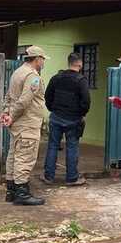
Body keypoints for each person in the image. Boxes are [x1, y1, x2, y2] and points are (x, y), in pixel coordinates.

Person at [0, 46, 49, 205]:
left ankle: (11, 190)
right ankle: (22, 193)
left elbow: (9, 95)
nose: (43, 62)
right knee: (25, 157)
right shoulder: (32, 76)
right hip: (27, 123)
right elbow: (24, 101)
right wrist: (11, 116)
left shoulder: (17, 72)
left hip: (17, 124)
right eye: (43, 59)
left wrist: (6, 112)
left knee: (14, 155)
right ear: (37, 59)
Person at [42, 52, 90, 186]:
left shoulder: (56, 78)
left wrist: (53, 109)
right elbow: (86, 101)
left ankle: (48, 176)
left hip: (56, 117)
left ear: (69, 63)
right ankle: (72, 178)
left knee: (52, 146)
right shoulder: (81, 80)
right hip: (73, 119)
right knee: (72, 147)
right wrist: (81, 114)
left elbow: (47, 96)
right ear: (80, 64)